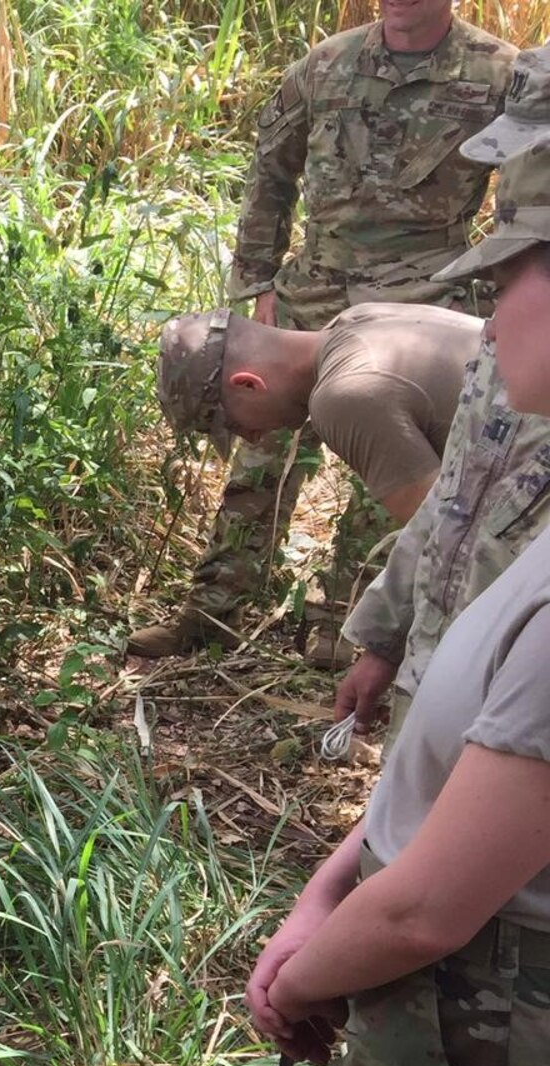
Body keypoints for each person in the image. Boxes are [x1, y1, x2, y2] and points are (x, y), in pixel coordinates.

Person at [242, 137, 550, 1066]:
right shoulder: (528, 522)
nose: (492, 315)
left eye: (518, 279)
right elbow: (440, 578)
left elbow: (439, 899)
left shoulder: (359, 394)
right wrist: (332, 883)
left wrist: (307, 963)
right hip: (449, 1022)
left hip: (488, 1061)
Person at [129, 0, 513, 660]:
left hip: (422, 293)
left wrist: (507, 285)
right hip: (313, 289)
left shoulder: (499, 74)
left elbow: (532, 188)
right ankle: (215, 609)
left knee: (386, 476)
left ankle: (350, 624)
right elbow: (271, 173)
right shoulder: (326, 65)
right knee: (257, 458)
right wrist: (255, 283)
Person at [336, 44, 550, 736]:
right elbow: (452, 498)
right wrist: (384, 640)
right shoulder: (512, 341)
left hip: (511, 719)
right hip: (436, 688)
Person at [156, 302, 481, 525]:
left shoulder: (344, 396)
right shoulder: (358, 317)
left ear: (248, 384)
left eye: (234, 425)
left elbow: (450, 544)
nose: (252, 436)